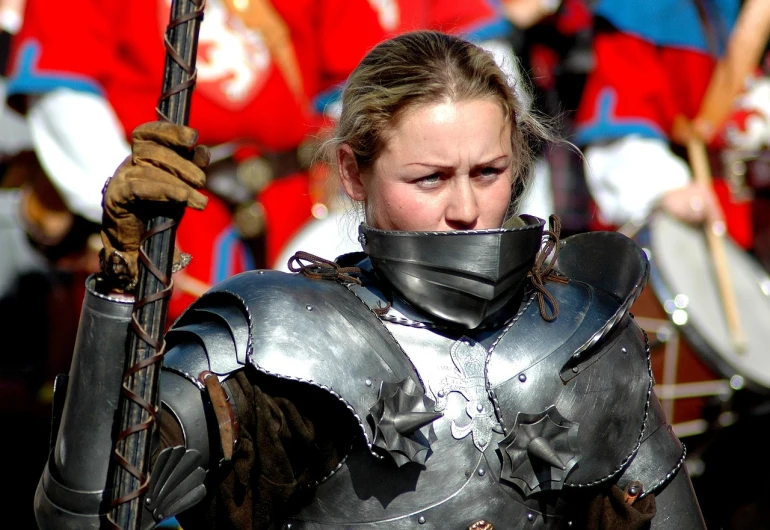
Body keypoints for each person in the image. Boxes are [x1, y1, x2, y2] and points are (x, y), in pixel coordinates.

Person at [34, 31, 706, 529]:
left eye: (489, 173)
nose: (466, 209)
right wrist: (123, 284)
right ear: (355, 174)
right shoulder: (277, 341)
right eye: (430, 178)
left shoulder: (581, 336)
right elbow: (84, 513)